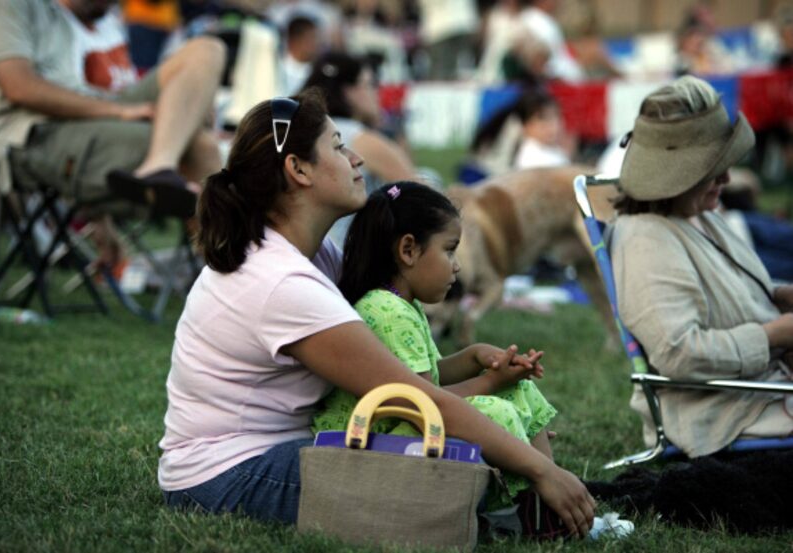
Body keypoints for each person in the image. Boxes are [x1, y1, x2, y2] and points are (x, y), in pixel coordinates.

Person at [157, 89, 596, 537]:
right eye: (339, 146)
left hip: (271, 452)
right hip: (226, 476)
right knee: (440, 471)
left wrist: (495, 409)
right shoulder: (282, 283)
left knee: (456, 455)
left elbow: (394, 375)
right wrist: (541, 470)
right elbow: (417, 399)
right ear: (299, 169)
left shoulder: (311, 255)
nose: (356, 160)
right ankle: (523, 513)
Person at [312, 181, 559, 510]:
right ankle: (532, 506)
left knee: (519, 390)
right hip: (366, 449)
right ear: (409, 250)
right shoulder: (386, 312)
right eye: (449, 249)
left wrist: (476, 356)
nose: (456, 265)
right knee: (493, 409)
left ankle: (552, 491)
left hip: (397, 432)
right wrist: (489, 382)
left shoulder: (403, 304)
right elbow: (424, 403)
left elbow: (430, 377)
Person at [609, 75, 793, 459]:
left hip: (764, 387)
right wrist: (774, 334)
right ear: (678, 176)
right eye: (713, 169)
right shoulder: (646, 239)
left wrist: (776, 293)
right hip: (729, 408)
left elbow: (723, 290)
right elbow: (679, 352)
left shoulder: (696, 215)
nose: (727, 178)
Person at [0, 0, 224, 264]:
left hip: (83, 119)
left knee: (207, 49)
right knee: (199, 147)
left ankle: (160, 165)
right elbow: (19, 88)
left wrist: (189, 102)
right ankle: (225, 271)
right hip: (31, 133)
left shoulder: (52, 10)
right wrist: (116, 111)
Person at [300, 52, 418, 245]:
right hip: (347, 250)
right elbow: (414, 187)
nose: (377, 93)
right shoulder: (361, 139)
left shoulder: (307, 130)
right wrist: (388, 196)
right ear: (349, 91)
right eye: (371, 84)